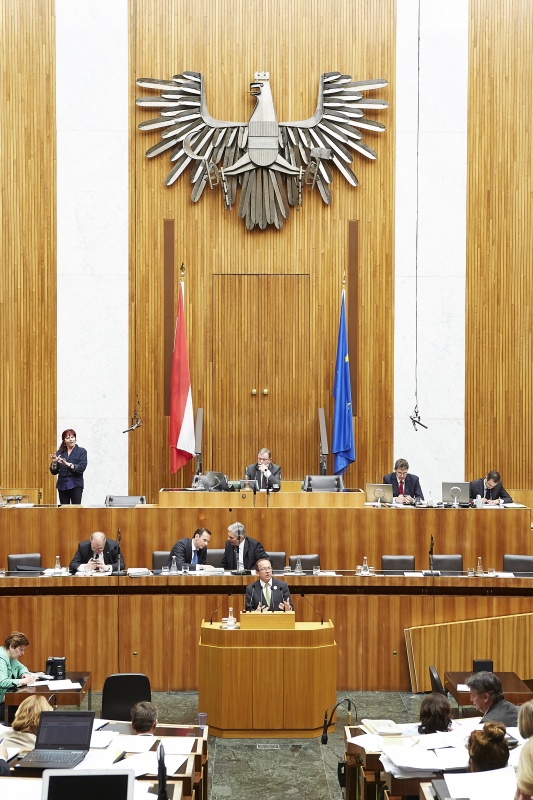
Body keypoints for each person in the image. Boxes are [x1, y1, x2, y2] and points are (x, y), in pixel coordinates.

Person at [0, 632, 37, 722]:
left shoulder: (10, 656)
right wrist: (22, 681)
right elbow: (2, 682)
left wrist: (25, 674)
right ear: (11, 646)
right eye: (21, 649)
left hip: (5, 699)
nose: (22, 653)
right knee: (28, 713)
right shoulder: (1, 658)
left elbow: (21, 667)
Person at [49, 428, 88, 505]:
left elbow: (81, 468)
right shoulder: (59, 452)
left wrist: (67, 464)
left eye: (72, 437)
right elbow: (54, 472)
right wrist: (54, 462)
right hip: (62, 485)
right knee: (64, 510)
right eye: (67, 438)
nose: (71, 440)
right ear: (64, 441)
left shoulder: (81, 451)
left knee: (76, 509)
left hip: (76, 484)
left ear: (75, 439)